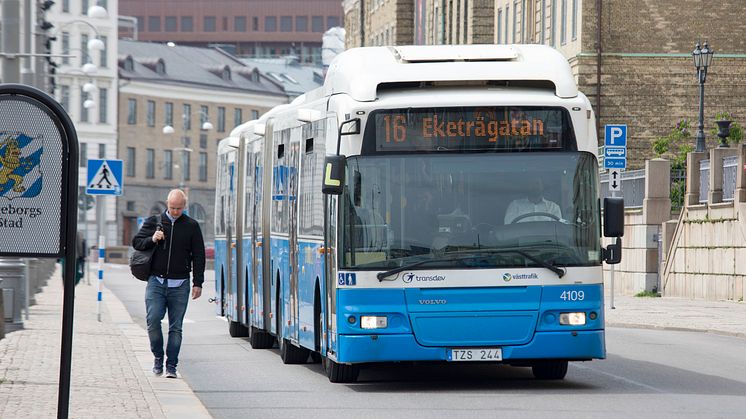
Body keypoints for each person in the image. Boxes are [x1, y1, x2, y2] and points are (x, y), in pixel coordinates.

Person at [132, 189, 205, 379]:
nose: (175, 212)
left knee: (176, 327)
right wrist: (152, 239)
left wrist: (198, 282)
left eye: (179, 208)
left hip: (180, 284)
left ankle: (171, 365)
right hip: (156, 281)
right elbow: (137, 243)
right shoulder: (154, 222)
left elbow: (199, 256)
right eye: (172, 208)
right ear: (167, 204)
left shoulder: (192, 226)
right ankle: (158, 357)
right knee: (153, 321)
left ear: (184, 206)